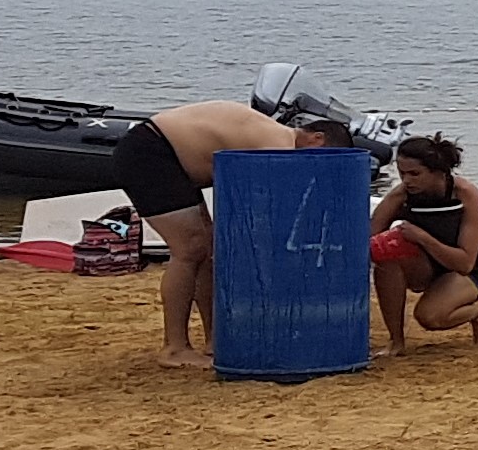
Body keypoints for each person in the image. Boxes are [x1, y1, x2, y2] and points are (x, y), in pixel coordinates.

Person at [106, 100, 356, 368]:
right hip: (152, 153)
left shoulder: (270, 135)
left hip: (170, 158)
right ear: (317, 139)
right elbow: (272, 209)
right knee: (188, 249)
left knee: (206, 247)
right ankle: (174, 347)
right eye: (323, 161)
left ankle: (217, 338)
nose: (316, 170)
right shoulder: (277, 144)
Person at [371, 132, 478, 354]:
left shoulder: (464, 194)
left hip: (473, 263)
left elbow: (465, 264)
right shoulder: (401, 195)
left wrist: (422, 237)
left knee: (429, 317)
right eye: (402, 173)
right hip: (429, 262)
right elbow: (369, 237)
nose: (407, 181)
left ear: (438, 172)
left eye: (415, 174)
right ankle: (396, 342)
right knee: (385, 256)